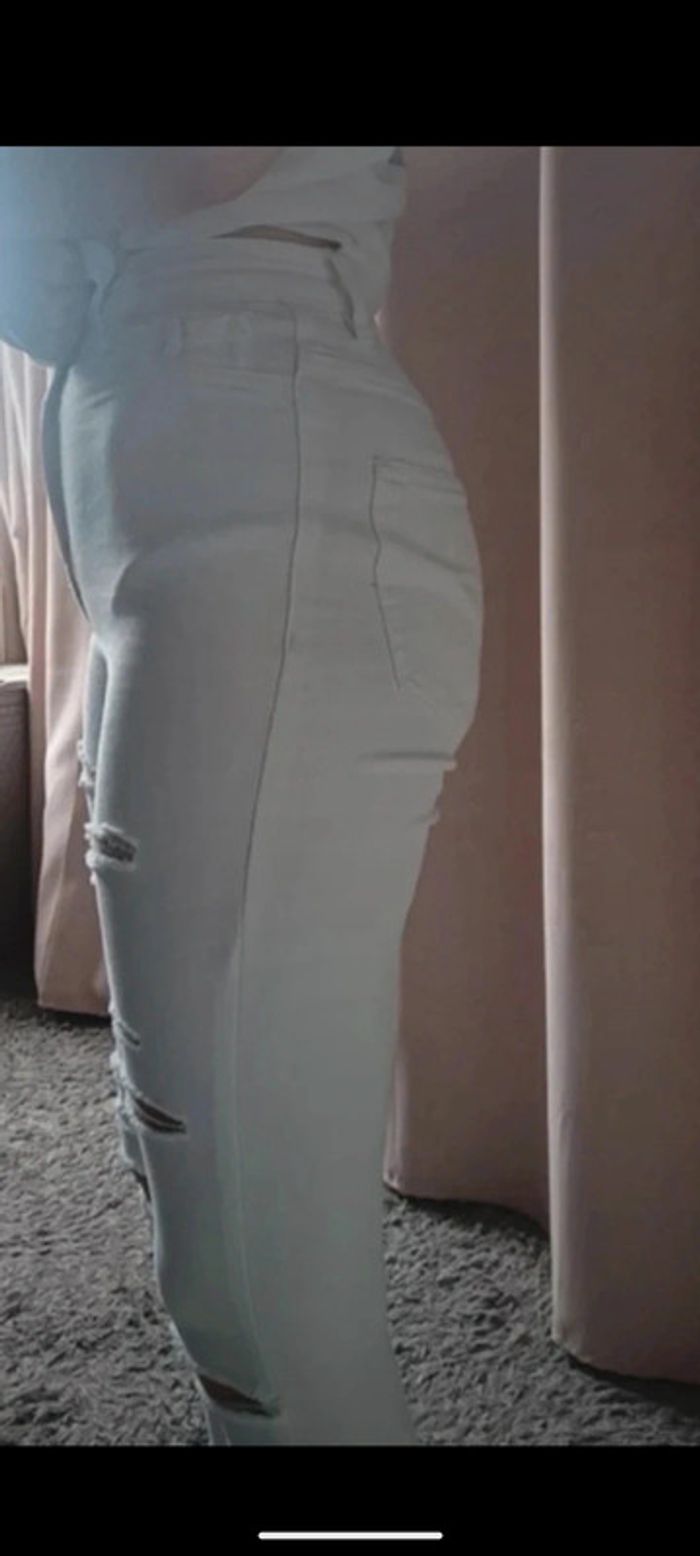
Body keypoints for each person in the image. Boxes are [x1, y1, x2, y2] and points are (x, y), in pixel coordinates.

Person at [0, 146, 484, 1445]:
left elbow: (198, 165)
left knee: (258, 1288)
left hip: (262, 490)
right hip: (175, 460)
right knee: (181, 1140)